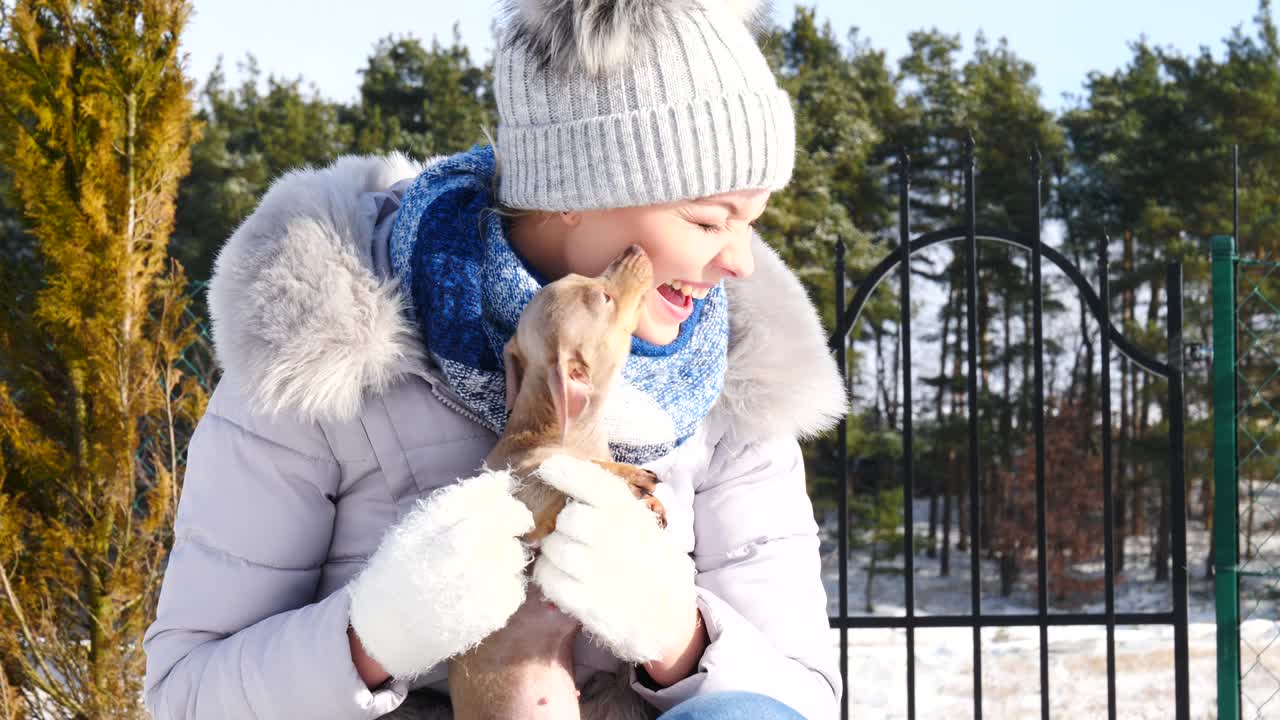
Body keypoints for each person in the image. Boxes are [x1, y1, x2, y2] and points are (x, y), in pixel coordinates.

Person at [142, 1, 848, 718]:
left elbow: (802, 700)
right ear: (577, 190)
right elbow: (185, 694)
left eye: (750, 224)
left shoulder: (737, 382)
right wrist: (371, 637)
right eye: (705, 220)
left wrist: (679, 637)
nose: (738, 262)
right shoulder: (327, 354)